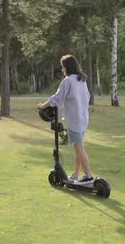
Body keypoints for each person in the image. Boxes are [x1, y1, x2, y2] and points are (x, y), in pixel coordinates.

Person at [37, 54, 93, 184]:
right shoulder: (81, 80)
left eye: (62, 67)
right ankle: (75, 174)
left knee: (79, 147)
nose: (62, 70)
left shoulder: (68, 81)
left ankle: (88, 176)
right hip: (83, 118)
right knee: (78, 146)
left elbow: (56, 99)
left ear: (67, 67)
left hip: (74, 120)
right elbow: (87, 98)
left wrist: (42, 105)